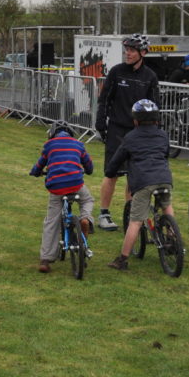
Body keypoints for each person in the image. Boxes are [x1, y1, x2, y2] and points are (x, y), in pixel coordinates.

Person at [94, 34, 160, 232]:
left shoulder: (150, 76)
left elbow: (155, 107)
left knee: (135, 174)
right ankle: (104, 213)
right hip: (117, 128)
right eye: (126, 50)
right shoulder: (117, 72)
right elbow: (104, 98)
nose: (127, 54)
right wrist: (100, 122)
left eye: (131, 50)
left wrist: (155, 130)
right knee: (112, 172)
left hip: (139, 131)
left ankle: (132, 214)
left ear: (143, 53)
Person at [104, 99, 175, 270]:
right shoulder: (162, 135)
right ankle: (173, 238)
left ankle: (122, 259)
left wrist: (110, 172)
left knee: (135, 221)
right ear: (156, 119)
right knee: (166, 207)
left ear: (135, 120)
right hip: (164, 177)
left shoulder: (130, 137)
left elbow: (116, 161)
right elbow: (165, 153)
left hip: (143, 181)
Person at [29, 121, 95, 273]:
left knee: (51, 221)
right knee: (87, 199)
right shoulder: (79, 144)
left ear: (52, 134)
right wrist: (86, 169)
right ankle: (86, 218)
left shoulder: (49, 145)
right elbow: (89, 167)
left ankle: (45, 259)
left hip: (56, 188)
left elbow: (39, 165)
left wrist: (35, 172)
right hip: (76, 184)